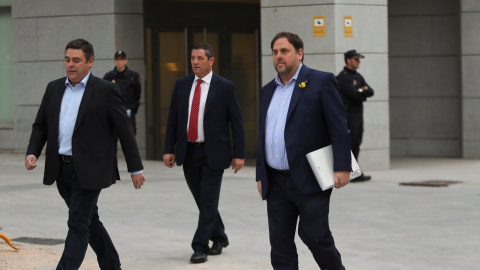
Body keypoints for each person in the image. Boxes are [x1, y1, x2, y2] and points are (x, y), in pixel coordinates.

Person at [25, 39, 145, 270]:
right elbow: (40, 125)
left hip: (91, 170)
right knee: (90, 220)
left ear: (90, 62)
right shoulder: (53, 87)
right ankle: (112, 266)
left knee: (78, 224)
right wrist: (33, 152)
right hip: (61, 169)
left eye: (76, 60)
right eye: (67, 60)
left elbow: (125, 130)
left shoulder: (106, 90)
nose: (71, 65)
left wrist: (135, 168)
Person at [256, 32, 350, 270]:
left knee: (315, 235)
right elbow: (263, 135)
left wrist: (342, 166)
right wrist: (261, 174)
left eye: (284, 51)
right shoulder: (268, 90)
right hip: (276, 181)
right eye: (275, 52)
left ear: (299, 53)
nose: (279, 56)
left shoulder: (321, 81)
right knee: (279, 242)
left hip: (310, 177)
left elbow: (338, 128)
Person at [163, 43, 246, 264]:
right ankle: (220, 236)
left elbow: (236, 123)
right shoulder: (182, 85)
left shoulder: (225, 86)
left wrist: (239, 154)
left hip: (215, 153)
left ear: (211, 61)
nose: (195, 62)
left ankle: (199, 247)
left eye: (200, 58)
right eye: (192, 58)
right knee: (202, 200)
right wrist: (167, 149)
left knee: (208, 201)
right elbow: (173, 119)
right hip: (189, 152)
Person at [336, 50, 374, 182]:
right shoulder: (343, 77)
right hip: (348, 114)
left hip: (358, 113)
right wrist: (361, 91)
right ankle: (349, 171)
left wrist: (362, 91)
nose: (359, 62)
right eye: (356, 59)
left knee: (357, 142)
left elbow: (371, 91)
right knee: (350, 143)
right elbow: (355, 94)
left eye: (359, 59)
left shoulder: (358, 76)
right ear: (348, 60)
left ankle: (354, 172)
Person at [103, 50, 141, 135]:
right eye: (118, 59)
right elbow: (104, 95)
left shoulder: (133, 76)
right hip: (113, 112)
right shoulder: (108, 76)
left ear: (125, 61)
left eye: (122, 59)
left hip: (128, 110)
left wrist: (133, 107)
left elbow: (137, 94)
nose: (120, 62)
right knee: (113, 138)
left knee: (130, 138)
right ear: (114, 61)